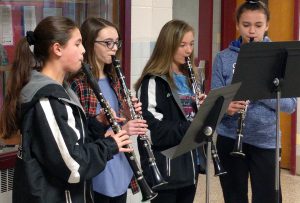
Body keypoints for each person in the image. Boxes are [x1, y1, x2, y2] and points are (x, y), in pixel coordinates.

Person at [0, 16, 132, 203]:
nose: (84, 50)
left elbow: (68, 140)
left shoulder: (62, 90)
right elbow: (73, 167)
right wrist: (111, 145)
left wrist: (96, 124)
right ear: (57, 49)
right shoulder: (47, 99)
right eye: (78, 44)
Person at [211, 1, 297, 203]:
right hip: (229, 138)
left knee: (268, 198)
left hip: (266, 141)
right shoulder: (223, 58)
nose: (252, 31)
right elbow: (214, 103)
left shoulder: (281, 57)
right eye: (246, 24)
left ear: (267, 25)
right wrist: (225, 107)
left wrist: (258, 91)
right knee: (234, 198)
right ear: (237, 25)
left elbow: (291, 105)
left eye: (258, 25)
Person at [69, 17, 148, 203]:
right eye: (107, 43)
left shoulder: (115, 79)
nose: (114, 48)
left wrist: (128, 114)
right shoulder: (78, 84)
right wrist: (123, 130)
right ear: (89, 44)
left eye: (116, 42)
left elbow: (118, 119)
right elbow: (80, 137)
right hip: (98, 170)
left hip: (120, 164)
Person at [134, 19, 206, 203]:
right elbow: (153, 130)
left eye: (191, 44)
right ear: (168, 45)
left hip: (191, 164)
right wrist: (191, 126)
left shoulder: (192, 78)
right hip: (166, 168)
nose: (189, 50)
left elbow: (195, 119)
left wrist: (205, 111)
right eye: (182, 45)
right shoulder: (153, 81)